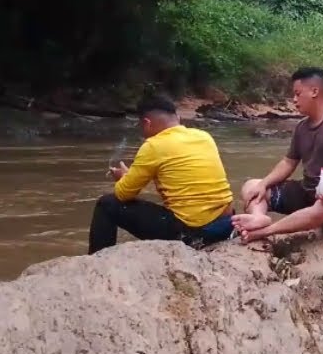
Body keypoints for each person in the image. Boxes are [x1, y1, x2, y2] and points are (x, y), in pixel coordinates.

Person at [89, 94, 234, 254]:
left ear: (146, 123)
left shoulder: (153, 146)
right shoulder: (204, 136)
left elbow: (123, 194)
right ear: (177, 117)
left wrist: (122, 179)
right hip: (226, 224)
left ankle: (96, 259)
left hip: (195, 234)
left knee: (107, 204)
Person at [235, 67, 323, 244]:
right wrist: (264, 184)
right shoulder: (302, 127)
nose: (294, 100)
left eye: (297, 94)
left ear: (314, 91)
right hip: (308, 190)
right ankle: (258, 218)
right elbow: (288, 162)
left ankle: (266, 231)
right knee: (251, 186)